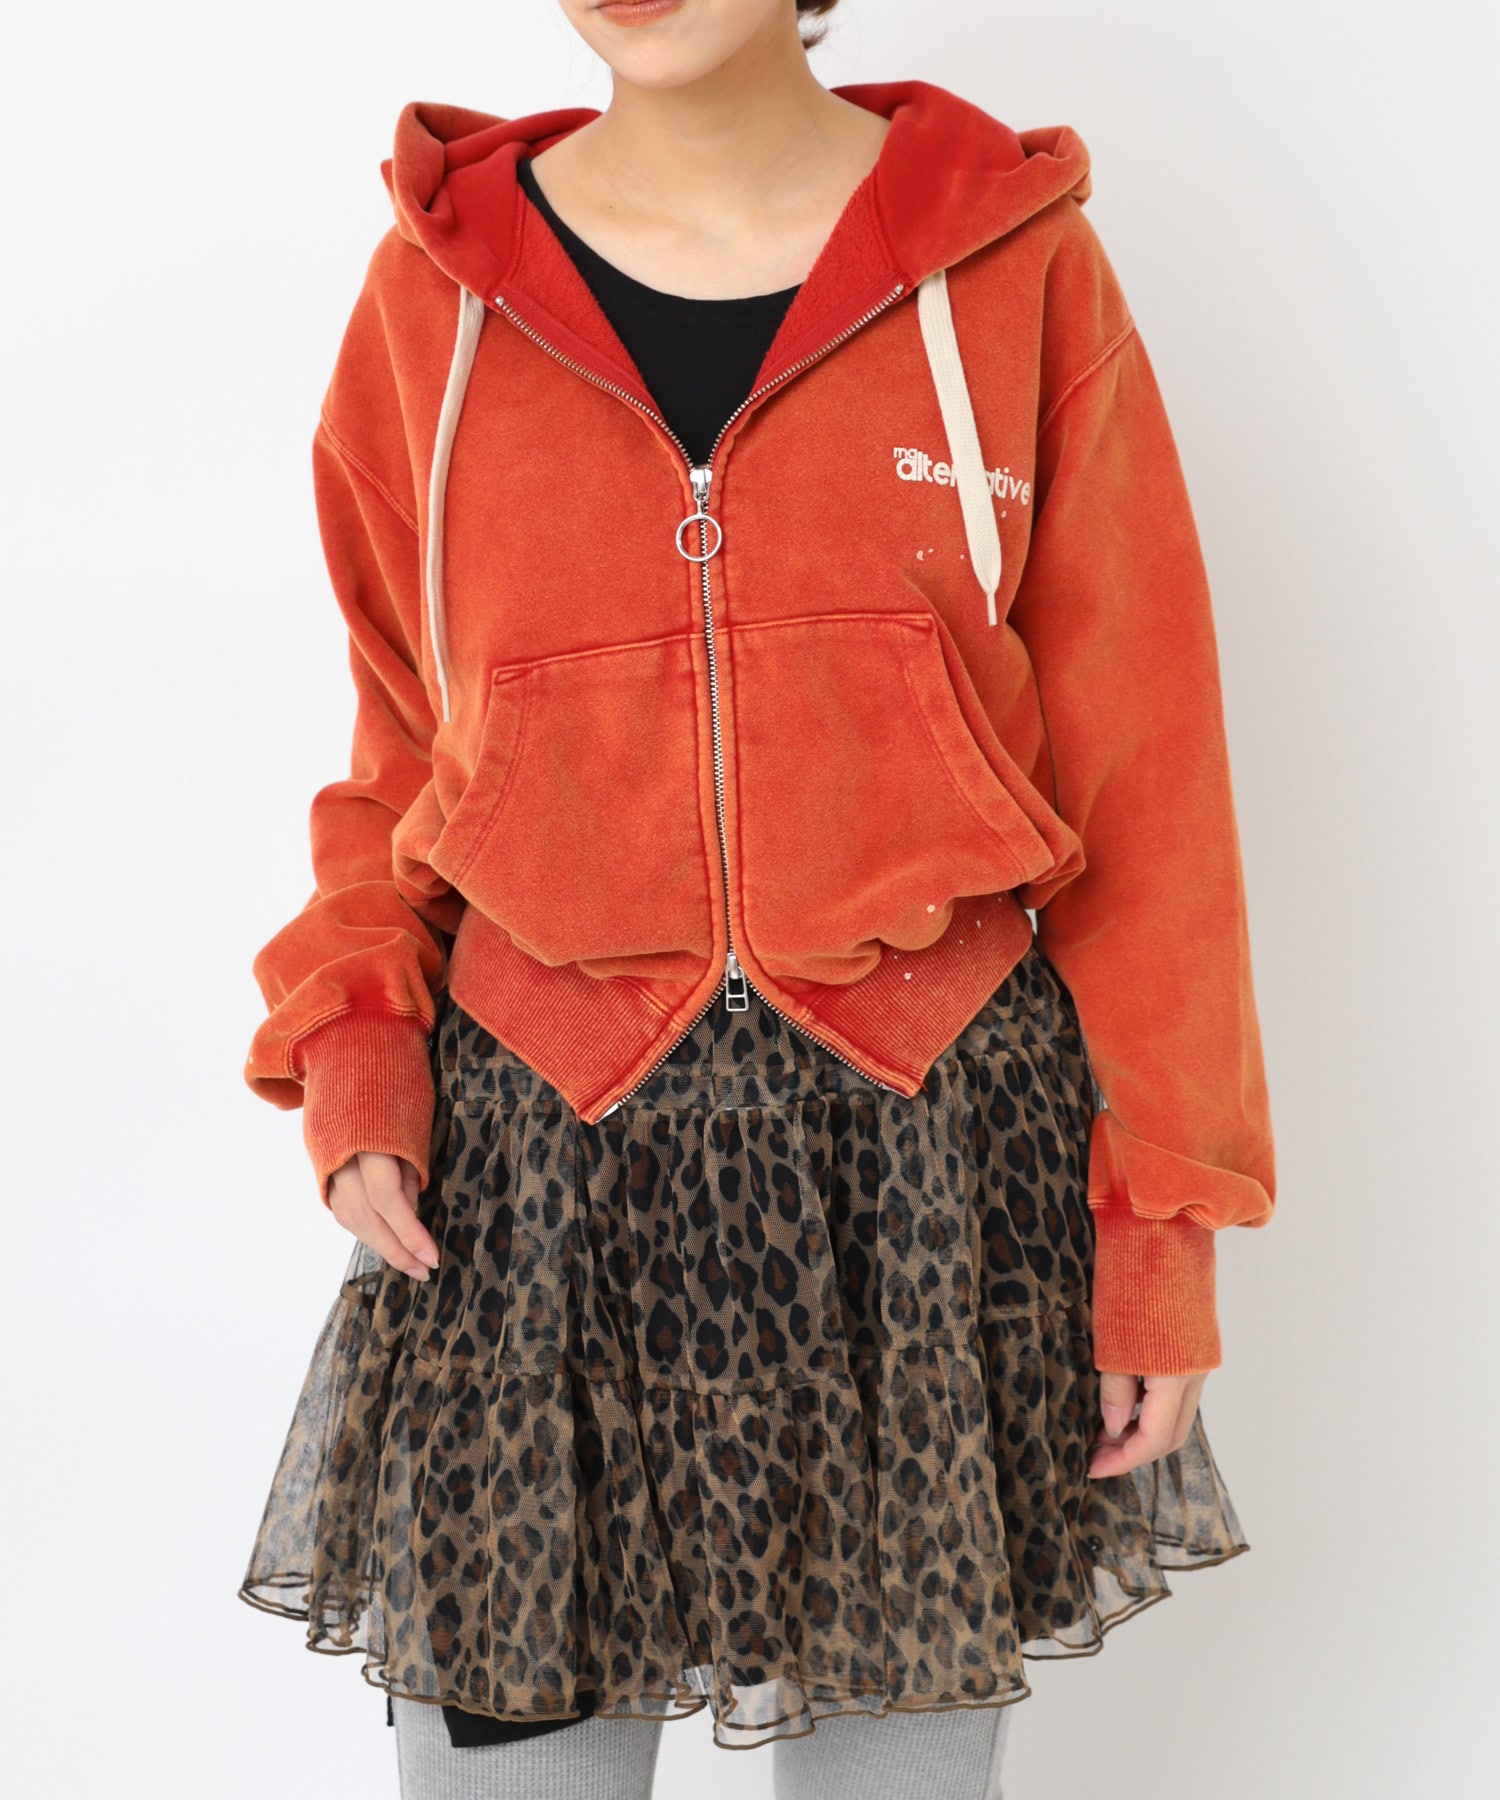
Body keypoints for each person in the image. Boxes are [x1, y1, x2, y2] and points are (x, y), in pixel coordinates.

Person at [237, 2, 1276, 1796]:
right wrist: (358, 1055)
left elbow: (1149, 782)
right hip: (531, 1181)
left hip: (926, 1179)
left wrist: (1165, 1229)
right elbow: (403, 748)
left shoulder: (1016, 270)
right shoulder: (433, 297)